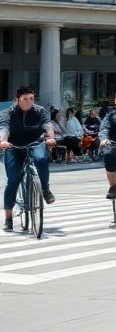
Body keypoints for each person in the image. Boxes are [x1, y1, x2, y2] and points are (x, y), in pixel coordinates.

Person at [1, 86, 57, 230]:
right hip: (13, 146)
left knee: (41, 160)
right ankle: (8, 216)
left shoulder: (39, 111)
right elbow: (5, 127)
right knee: (13, 180)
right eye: (25, 99)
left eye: (31, 98)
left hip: (35, 143)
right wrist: (3, 141)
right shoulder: (8, 113)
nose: (28, 102)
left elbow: (47, 124)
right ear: (17, 99)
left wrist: (50, 137)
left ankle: (45, 189)